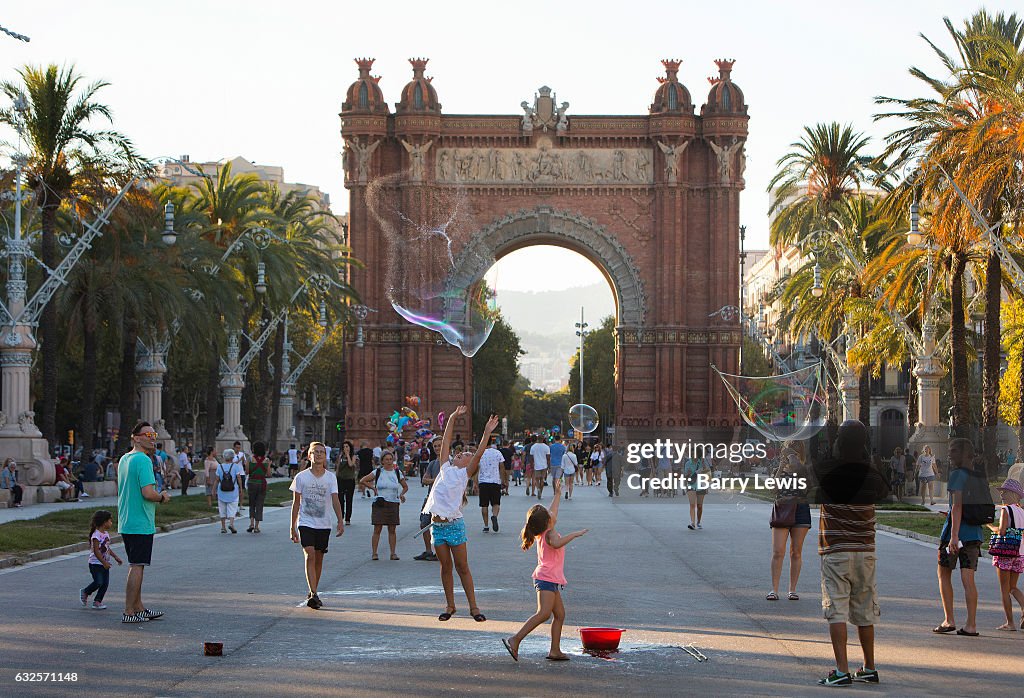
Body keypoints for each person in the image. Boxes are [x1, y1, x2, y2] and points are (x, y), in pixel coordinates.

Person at [809, 420, 890, 686]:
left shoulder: (828, 469)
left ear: (839, 443)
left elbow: (813, 463)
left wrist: (815, 432)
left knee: (836, 611)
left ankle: (841, 671)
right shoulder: (872, 473)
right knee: (866, 611)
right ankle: (869, 666)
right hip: (865, 549)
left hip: (836, 551)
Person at [422, 406, 498, 622]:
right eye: (461, 452)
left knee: (462, 567)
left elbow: (480, 451)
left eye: (466, 454)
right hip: (437, 527)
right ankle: (450, 605)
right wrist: (453, 417)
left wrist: (486, 432)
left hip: (454, 526)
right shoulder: (445, 467)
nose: (460, 453)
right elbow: (445, 441)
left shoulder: (464, 474)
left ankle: (474, 607)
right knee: (445, 568)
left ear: (469, 465)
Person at [502, 478, 588, 661]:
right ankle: (515, 639)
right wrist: (574, 534)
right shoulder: (550, 534)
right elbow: (557, 544)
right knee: (543, 613)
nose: (553, 514)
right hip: (546, 578)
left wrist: (557, 494)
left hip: (550, 578)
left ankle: (555, 650)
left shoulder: (545, 529)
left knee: (560, 614)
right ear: (548, 521)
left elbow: (553, 510)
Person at [117, 421, 172, 624]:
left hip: (127, 519)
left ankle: (139, 607)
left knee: (138, 563)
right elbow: (148, 493)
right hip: (140, 520)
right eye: (148, 435)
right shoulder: (143, 460)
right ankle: (129, 611)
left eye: (154, 434)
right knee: (137, 565)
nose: (153, 438)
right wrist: (162, 497)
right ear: (136, 437)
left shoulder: (125, 459)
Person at [935, 438, 987, 636]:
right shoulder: (979, 475)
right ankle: (971, 625)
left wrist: (954, 536)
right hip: (975, 533)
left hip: (956, 534)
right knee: (969, 579)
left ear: (966, 455)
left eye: (954, 450)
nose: (950, 453)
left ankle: (949, 620)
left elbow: (957, 505)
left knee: (943, 574)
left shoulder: (957, 475)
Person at [289, 441, 344, 609]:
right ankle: (313, 593)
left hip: (324, 523)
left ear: (325, 456)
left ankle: (314, 589)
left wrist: (340, 520)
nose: (319, 454)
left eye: (321, 452)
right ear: (309, 456)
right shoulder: (301, 477)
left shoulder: (330, 477)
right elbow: (296, 503)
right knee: (310, 554)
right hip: (306, 522)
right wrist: (292, 526)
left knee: (319, 557)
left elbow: (335, 500)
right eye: (315, 452)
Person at [767, 441, 811, 602]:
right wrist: (780, 466)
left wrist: (793, 461)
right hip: (782, 508)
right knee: (778, 551)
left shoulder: (804, 469)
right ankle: (774, 590)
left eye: (794, 452)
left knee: (796, 551)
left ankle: (792, 590)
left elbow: (806, 488)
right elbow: (773, 489)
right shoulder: (778, 469)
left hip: (800, 510)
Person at [987, 478, 1024, 631]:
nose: (1002, 494)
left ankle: (1010, 623)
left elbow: (1002, 531)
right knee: (1013, 587)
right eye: (1001, 491)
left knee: (1004, 589)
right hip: (1020, 553)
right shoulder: (1022, 511)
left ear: (1013, 494)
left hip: (1005, 552)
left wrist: (990, 526)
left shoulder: (1006, 510)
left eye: (1005, 492)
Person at [359, 450, 408, 560]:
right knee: (377, 528)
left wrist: (402, 494)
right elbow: (363, 480)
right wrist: (373, 488)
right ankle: (374, 553)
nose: (389, 461)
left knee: (392, 529)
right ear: (382, 461)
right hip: (380, 503)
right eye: (386, 459)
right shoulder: (378, 472)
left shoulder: (397, 472)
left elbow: (405, 486)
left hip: (393, 503)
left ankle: (393, 553)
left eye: (391, 459)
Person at [80, 510, 122, 610]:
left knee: (105, 584)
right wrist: (104, 562)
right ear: (104, 522)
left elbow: (107, 548)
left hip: (104, 564)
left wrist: (115, 557)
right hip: (95, 564)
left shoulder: (106, 534)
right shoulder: (96, 535)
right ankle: (86, 591)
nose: (111, 523)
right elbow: (96, 551)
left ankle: (97, 601)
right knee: (98, 582)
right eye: (110, 521)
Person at [415, 437, 442, 562]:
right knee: (424, 524)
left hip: (442, 500)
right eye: (435, 446)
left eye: (439, 445)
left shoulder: (449, 463)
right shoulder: (432, 463)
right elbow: (424, 480)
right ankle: (428, 551)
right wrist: (436, 480)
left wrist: (433, 480)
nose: (437, 448)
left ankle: (439, 552)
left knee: (439, 526)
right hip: (430, 499)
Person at [477, 437, 506, 533]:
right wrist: (504, 480)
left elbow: (476, 468)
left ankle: (486, 526)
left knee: (484, 505)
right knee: (496, 503)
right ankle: (494, 516)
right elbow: (502, 467)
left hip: (483, 482)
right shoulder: (497, 453)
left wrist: (475, 483)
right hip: (495, 481)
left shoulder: (479, 453)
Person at [216, 448, 245, 534]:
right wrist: (240, 488)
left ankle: (223, 527)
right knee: (232, 508)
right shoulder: (235, 466)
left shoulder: (219, 466)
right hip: (233, 491)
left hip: (221, 491)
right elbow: (239, 478)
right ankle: (231, 524)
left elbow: (217, 479)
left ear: (224, 457)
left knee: (222, 509)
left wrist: (214, 490)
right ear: (232, 457)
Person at [246, 441, 270, 533]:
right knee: (259, 504)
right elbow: (268, 474)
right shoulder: (266, 460)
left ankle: (251, 523)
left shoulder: (250, 459)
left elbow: (247, 471)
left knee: (252, 503)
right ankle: (256, 526)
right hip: (262, 483)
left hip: (252, 482)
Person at [684, 456, 710, 528]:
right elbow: (685, 476)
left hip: (701, 485)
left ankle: (698, 522)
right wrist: (688, 474)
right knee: (692, 505)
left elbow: (708, 474)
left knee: (699, 506)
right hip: (691, 485)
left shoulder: (703, 462)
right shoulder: (688, 463)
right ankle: (692, 523)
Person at [336, 441, 357, 526]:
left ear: (350, 447)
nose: (346, 448)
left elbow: (351, 464)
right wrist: (336, 476)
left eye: (347, 446)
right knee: (340, 499)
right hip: (340, 479)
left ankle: (348, 518)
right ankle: (341, 516)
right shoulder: (340, 456)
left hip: (350, 480)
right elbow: (337, 467)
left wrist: (348, 455)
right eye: (344, 447)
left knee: (349, 499)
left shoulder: (353, 456)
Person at [530, 436, 550, 500]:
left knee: (536, 479)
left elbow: (531, 457)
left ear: (537, 439)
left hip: (536, 465)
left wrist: (531, 465)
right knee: (542, 479)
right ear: (543, 439)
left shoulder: (533, 447)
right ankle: (540, 493)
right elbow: (548, 457)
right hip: (544, 465)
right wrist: (548, 466)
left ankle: (538, 489)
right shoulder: (546, 447)